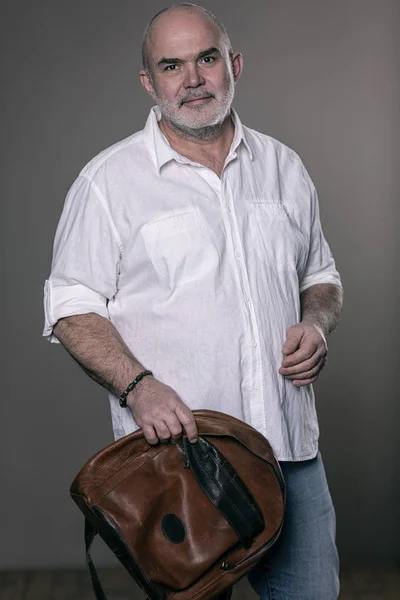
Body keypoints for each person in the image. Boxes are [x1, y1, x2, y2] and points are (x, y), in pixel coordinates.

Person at [43, 3, 343, 599]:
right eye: (171, 65)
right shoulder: (108, 183)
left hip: (291, 454)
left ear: (233, 63)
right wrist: (139, 387)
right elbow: (71, 307)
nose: (193, 79)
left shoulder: (285, 168)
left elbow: (322, 275)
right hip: (181, 462)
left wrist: (316, 322)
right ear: (149, 83)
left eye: (206, 58)